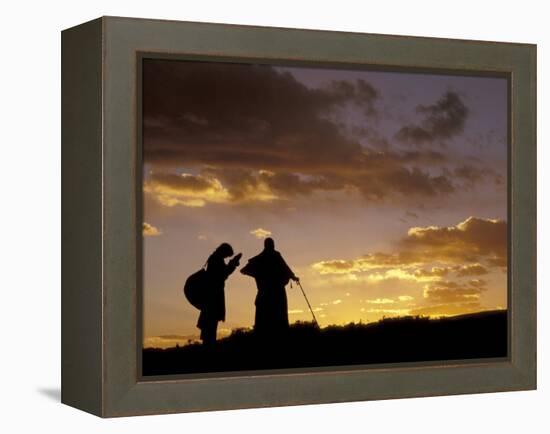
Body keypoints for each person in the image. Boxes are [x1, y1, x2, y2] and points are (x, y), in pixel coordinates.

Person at [240, 238, 299, 336]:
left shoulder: (259, 259)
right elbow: (285, 268)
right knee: (279, 319)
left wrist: (258, 274)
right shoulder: (275, 256)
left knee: (264, 321)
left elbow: (244, 270)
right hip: (277, 294)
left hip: (264, 295)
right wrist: (293, 276)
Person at [197, 243, 241, 345]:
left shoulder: (214, 259)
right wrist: (232, 264)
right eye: (226, 255)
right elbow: (223, 275)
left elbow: (223, 273)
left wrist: (231, 264)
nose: (226, 257)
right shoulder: (216, 260)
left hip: (211, 295)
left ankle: (208, 343)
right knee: (211, 325)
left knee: (210, 325)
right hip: (213, 296)